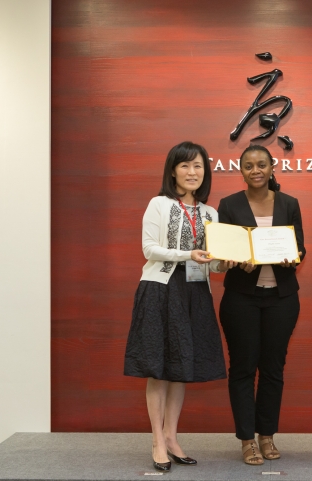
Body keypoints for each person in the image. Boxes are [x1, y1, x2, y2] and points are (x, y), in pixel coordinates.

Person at [124, 141, 233, 472]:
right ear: (173, 170)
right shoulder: (159, 204)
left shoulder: (211, 213)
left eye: (198, 166)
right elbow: (149, 249)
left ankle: (172, 437)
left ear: (206, 172)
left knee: (181, 368)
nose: (192, 172)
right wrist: (188, 254)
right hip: (160, 288)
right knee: (158, 367)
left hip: (196, 292)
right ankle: (157, 439)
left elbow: (212, 265)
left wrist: (224, 263)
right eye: (185, 166)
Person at [217, 144, 306, 465]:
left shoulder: (289, 204)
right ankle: (246, 439)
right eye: (249, 166)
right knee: (242, 368)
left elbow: (301, 250)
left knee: (273, 369)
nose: (255, 170)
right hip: (240, 299)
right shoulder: (228, 205)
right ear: (241, 171)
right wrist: (236, 260)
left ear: (272, 168)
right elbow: (222, 250)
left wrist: (291, 258)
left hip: (282, 300)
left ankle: (266, 435)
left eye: (261, 165)